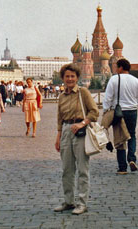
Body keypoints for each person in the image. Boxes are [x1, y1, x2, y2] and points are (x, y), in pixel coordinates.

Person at [54, 64, 98, 215]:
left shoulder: (83, 92)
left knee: (82, 169)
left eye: (73, 76)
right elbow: (59, 117)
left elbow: (94, 111)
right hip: (66, 131)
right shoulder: (61, 96)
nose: (70, 79)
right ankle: (68, 201)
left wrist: (82, 123)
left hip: (80, 132)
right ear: (63, 78)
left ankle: (82, 203)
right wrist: (59, 136)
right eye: (67, 76)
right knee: (67, 169)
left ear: (77, 78)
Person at [103, 58, 138, 175]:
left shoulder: (114, 79)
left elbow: (108, 98)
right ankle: (132, 159)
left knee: (120, 138)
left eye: (116, 67)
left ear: (121, 67)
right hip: (132, 111)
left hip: (118, 112)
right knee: (131, 135)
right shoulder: (136, 81)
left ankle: (122, 167)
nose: (115, 69)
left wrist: (105, 111)